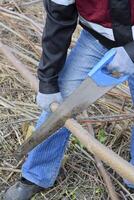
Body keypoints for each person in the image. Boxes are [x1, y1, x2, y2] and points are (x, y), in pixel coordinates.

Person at [3, 0, 134, 199]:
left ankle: (130, 175)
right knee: (62, 102)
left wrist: (131, 50)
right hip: (96, 39)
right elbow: (58, 22)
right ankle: (37, 175)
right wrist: (47, 83)